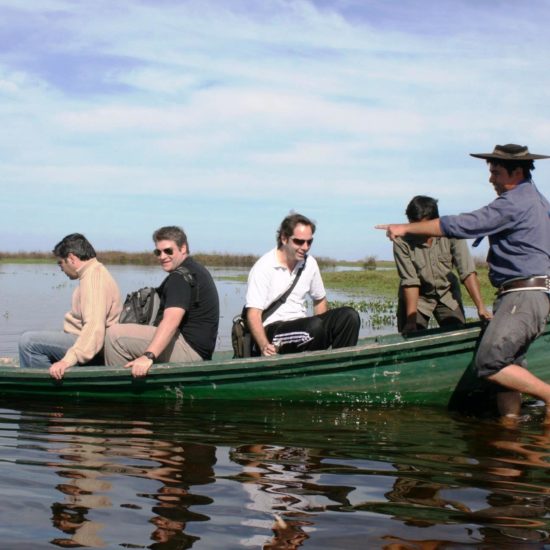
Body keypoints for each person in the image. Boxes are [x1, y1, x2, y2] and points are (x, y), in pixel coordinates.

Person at [377, 144, 550, 421]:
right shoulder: (538, 201)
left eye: (495, 172)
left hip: (523, 296)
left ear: (516, 172)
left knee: (489, 363)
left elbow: (463, 225)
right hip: (527, 295)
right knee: (509, 366)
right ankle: (509, 427)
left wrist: (405, 227)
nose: (491, 178)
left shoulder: (516, 201)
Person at [104, 226, 219, 377]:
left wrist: (148, 356)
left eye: (168, 251)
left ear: (183, 248)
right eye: (158, 252)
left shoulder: (179, 278)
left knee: (114, 335)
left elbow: (171, 320)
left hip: (190, 353)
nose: (162, 256)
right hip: (200, 350)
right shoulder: (195, 269)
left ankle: (121, 389)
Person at [246, 213, 360, 356]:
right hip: (273, 331)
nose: (305, 247)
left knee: (349, 316)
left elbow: (320, 299)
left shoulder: (309, 263)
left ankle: (340, 366)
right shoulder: (264, 267)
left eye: (309, 242)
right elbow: (253, 314)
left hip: (305, 327)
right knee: (313, 328)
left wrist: (323, 330)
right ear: (284, 238)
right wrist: (264, 345)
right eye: (299, 242)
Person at [19, 233, 122, 379]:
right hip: (82, 339)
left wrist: (68, 360)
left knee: (28, 342)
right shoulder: (93, 272)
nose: (61, 268)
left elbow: (94, 328)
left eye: (61, 263)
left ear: (72, 258)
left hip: (93, 347)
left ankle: (46, 389)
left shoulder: (94, 280)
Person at [393, 195, 491, 334]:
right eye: (413, 225)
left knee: (457, 335)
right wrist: (411, 322)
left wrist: (481, 307)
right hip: (417, 299)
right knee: (411, 337)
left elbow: (467, 271)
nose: (418, 230)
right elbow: (410, 282)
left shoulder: (451, 233)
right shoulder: (401, 241)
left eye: (423, 226)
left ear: (435, 221)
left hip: (447, 294)